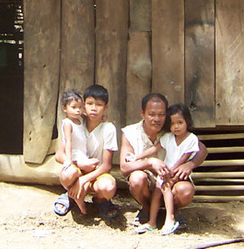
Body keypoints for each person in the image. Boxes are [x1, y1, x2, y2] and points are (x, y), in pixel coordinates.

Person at [120, 93, 207, 227]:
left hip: (171, 179)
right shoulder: (131, 132)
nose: (157, 119)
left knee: (186, 190)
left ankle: (172, 211)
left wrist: (190, 164)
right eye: (151, 114)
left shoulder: (172, 130)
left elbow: (202, 150)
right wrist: (149, 162)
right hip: (148, 182)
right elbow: (124, 168)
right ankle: (147, 209)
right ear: (142, 113)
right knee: (137, 179)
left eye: (161, 114)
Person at [137, 104, 199, 235]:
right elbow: (155, 148)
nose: (176, 126)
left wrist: (170, 174)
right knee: (157, 193)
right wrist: (137, 156)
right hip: (165, 172)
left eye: (180, 122)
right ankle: (152, 222)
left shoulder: (192, 139)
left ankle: (170, 219)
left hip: (179, 173)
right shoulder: (168, 137)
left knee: (165, 187)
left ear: (187, 121)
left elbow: (184, 158)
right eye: (172, 124)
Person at [61, 84, 119, 219]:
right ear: (83, 106)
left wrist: (83, 180)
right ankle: (70, 196)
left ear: (106, 107)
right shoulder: (75, 124)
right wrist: (80, 164)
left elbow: (106, 165)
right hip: (78, 171)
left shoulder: (108, 128)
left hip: (98, 173)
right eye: (89, 103)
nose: (93, 108)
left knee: (108, 188)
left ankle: (100, 200)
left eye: (99, 104)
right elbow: (60, 155)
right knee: (67, 174)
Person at [53, 88, 99, 216]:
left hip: (83, 155)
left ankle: (76, 195)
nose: (77, 110)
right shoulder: (67, 123)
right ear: (64, 108)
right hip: (74, 155)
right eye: (73, 107)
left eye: (80, 107)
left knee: (94, 165)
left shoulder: (80, 120)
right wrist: (68, 160)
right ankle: (75, 196)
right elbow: (68, 142)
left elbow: (87, 116)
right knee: (75, 172)